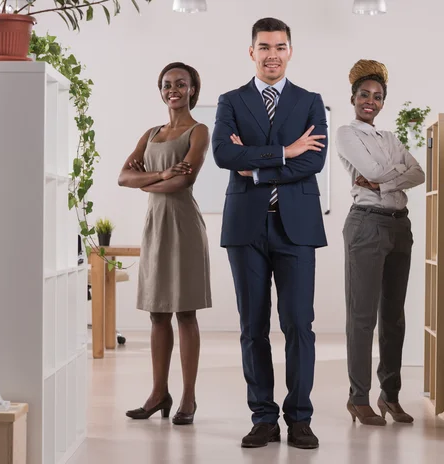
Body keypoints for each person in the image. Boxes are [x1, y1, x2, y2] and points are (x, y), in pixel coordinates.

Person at [212, 17, 328, 449]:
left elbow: (312, 162)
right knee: (252, 326)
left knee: (299, 324)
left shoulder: (310, 102)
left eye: (280, 47)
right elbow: (224, 153)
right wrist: (284, 150)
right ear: (252, 52)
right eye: (264, 47)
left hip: (297, 228)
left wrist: (257, 169)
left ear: (290, 51)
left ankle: (300, 418)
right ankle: (263, 417)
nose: (272, 54)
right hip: (246, 229)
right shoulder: (231, 100)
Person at [118, 62, 211, 426]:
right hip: (155, 225)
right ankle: (159, 394)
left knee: (185, 312)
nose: (173, 89)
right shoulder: (152, 133)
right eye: (167, 84)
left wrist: (148, 182)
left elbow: (181, 184)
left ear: (192, 89)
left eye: (181, 84)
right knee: (158, 312)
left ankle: (188, 397)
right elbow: (123, 176)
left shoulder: (198, 131)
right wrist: (159, 174)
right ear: (161, 91)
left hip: (184, 225)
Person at [336, 59, 425, 426]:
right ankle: (358, 398)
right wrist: (392, 175)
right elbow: (371, 172)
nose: (370, 101)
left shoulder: (389, 138)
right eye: (364, 95)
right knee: (361, 317)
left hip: (399, 228)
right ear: (354, 97)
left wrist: (383, 182)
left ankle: (390, 395)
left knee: (394, 318)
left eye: (377, 96)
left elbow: (419, 172)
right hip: (366, 227)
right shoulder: (346, 133)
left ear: (383, 102)